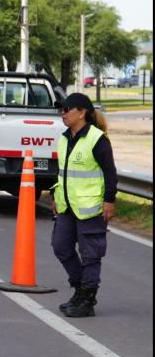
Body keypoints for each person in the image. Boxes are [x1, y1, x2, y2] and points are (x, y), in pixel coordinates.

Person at [50, 93, 117, 318]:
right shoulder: (63, 138)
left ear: (82, 112)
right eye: (62, 109)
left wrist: (109, 200)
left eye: (67, 109)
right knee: (60, 246)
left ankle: (87, 299)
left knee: (91, 256)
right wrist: (54, 195)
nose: (63, 113)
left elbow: (110, 171)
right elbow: (62, 172)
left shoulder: (97, 139)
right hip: (68, 207)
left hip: (91, 208)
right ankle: (79, 289)